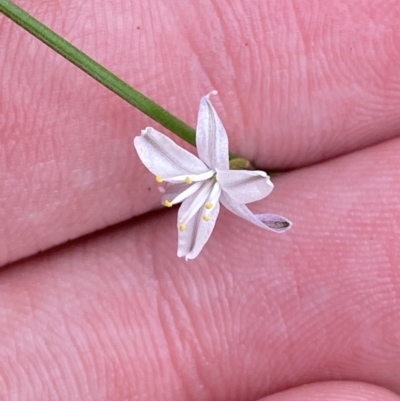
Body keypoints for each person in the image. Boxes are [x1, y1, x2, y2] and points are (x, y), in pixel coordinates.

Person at [0, 1, 399, 400]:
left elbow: (248, 183)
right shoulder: (210, 175)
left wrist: (225, 163)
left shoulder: (224, 179)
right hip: (212, 175)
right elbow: (175, 144)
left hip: (214, 175)